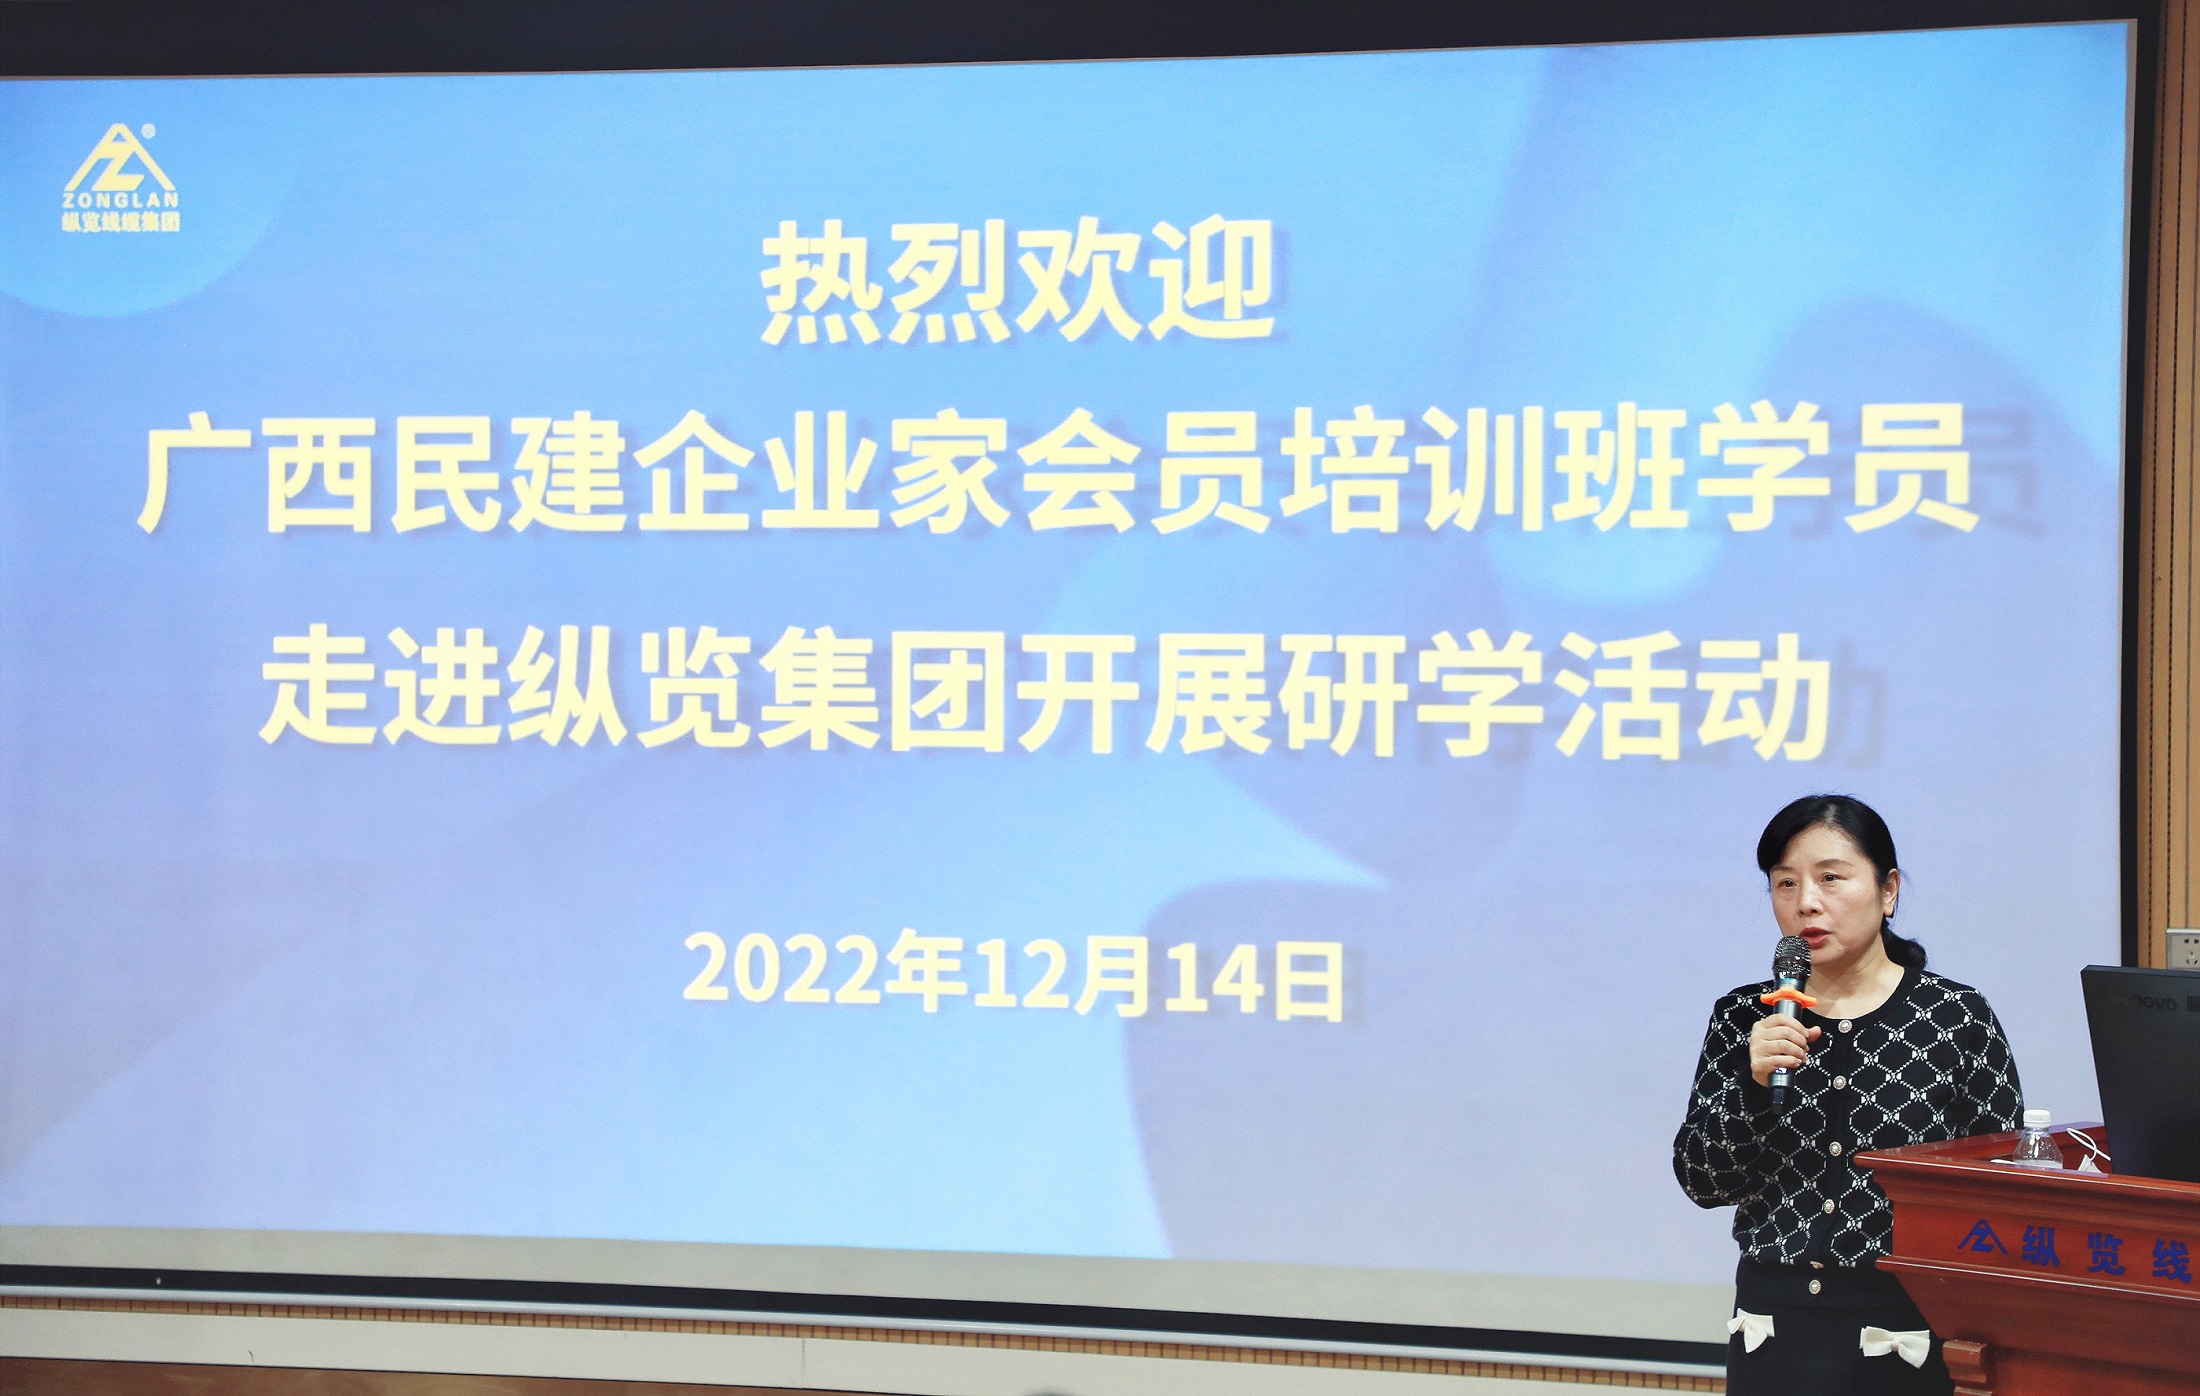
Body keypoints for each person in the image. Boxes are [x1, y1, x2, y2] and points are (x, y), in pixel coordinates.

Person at [1673, 794, 2023, 1395]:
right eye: (1785, 883)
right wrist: (1752, 1089)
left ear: (1888, 890)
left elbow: (2000, 1190)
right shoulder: (1745, 1018)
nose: (1806, 902)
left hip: (1909, 1334)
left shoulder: (1956, 1018)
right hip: (1773, 1333)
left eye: (1830, 878)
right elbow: (1703, 1182)